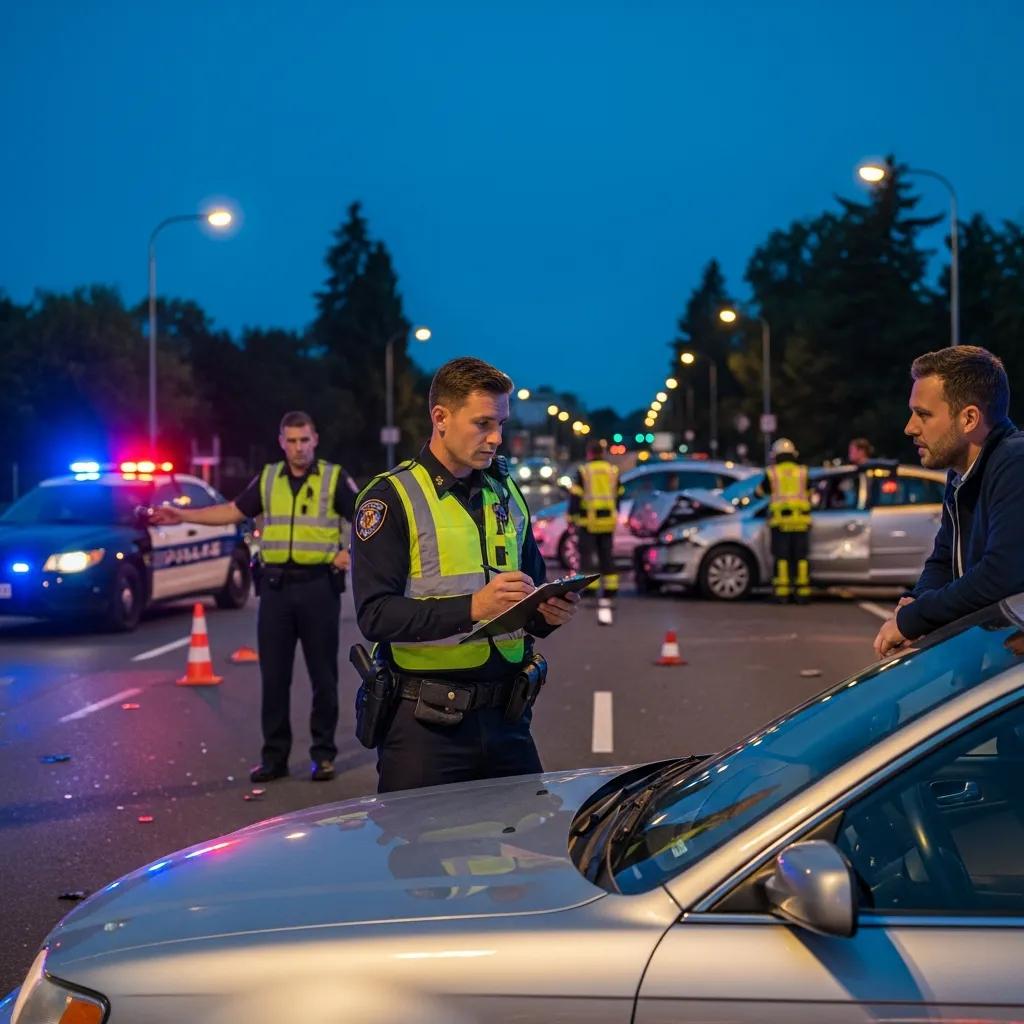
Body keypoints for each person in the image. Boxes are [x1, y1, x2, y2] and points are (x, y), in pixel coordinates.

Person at [351, 356, 579, 793]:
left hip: (508, 719)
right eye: (483, 423)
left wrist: (548, 613)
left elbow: (529, 591)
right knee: (419, 839)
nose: (496, 438)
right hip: (425, 728)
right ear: (441, 418)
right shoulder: (391, 498)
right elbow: (375, 616)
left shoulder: (505, 491)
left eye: (501, 424)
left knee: (527, 835)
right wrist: (474, 606)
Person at [151, 411, 358, 782]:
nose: (298, 448)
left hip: (318, 588)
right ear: (281, 442)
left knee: (323, 677)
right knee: (274, 678)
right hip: (276, 590)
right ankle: (274, 757)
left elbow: (367, 518)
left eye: (304, 440)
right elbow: (232, 511)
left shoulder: (333, 478)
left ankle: (323, 754)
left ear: (315, 440)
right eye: (291, 441)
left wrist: (350, 554)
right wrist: (183, 516)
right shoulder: (269, 478)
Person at [874, 346, 1024, 658]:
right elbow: (942, 559)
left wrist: (914, 619)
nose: (910, 427)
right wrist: (917, 603)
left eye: (923, 414)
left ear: (969, 418)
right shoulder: (960, 475)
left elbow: (1001, 574)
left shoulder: (1015, 462)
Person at [568, 439, 623, 624]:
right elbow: (619, 494)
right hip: (607, 521)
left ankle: (591, 589)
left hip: (588, 521)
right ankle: (611, 589)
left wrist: (572, 517)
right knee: (606, 554)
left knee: (587, 555)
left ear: (589, 453)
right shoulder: (612, 471)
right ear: (603, 453)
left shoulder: (584, 471)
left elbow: (576, 496)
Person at [763, 437, 812, 603]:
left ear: (775, 455)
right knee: (801, 558)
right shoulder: (803, 472)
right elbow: (810, 493)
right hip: (801, 522)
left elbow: (761, 492)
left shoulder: (772, 473)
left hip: (780, 523)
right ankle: (802, 592)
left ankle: (782, 592)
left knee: (782, 558)